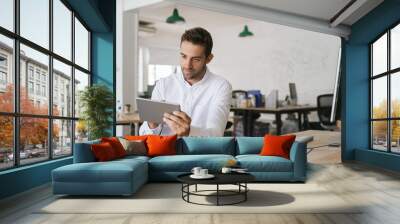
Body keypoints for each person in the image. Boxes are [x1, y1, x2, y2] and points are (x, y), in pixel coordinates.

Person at [139, 27, 232, 137]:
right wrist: (152, 125)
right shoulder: (163, 84)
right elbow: (143, 134)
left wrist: (189, 132)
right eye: (184, 56)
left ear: (208, 59)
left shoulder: (220, 86)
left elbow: (216, 134)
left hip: (200, 153)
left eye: (196, 59)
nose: (187, 65)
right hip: (166, 152)